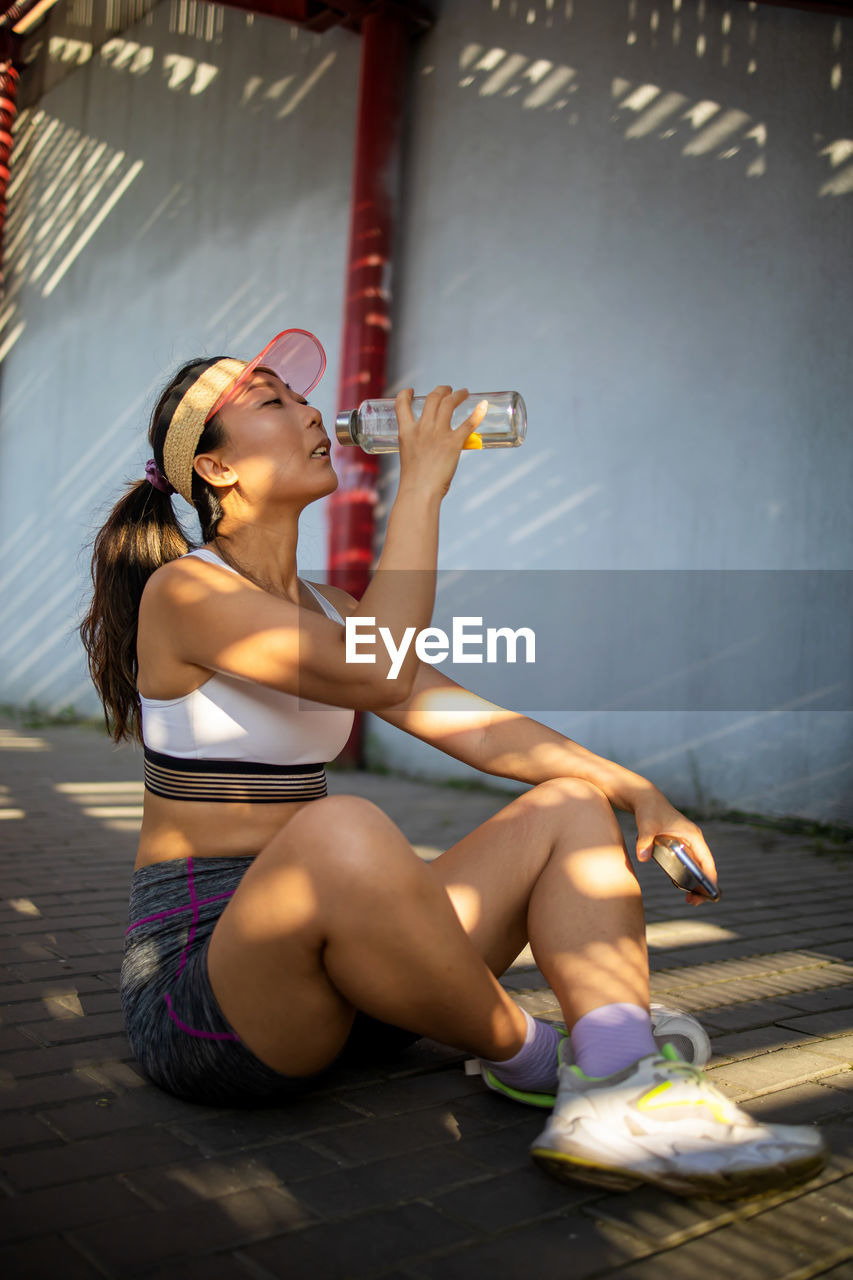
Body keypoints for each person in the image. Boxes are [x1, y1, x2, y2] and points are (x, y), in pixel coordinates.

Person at [80, 328, 826, 1199]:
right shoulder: (188, 592)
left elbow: (464, 721)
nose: (313, 412)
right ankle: (546, 1060)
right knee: (342, 824)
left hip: (355, 978)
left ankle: (621, 1079)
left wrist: (636, 790)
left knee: (569, 806)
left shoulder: (332, 608)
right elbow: (379, 672)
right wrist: (424, 487)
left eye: (301, 397)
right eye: (274, 403)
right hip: (211, 999)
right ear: (217, 470)